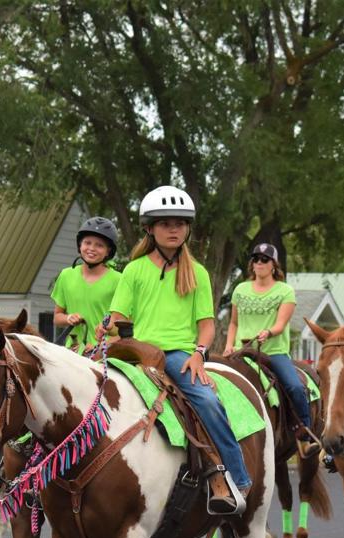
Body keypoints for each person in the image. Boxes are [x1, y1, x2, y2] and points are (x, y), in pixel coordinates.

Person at [107, 185, 250, 515]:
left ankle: (236, 479)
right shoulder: (134, 270)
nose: (174, 229)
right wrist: (109, 326)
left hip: (176, 356)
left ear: (187, 229)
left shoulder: (197, 272)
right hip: (135, 352)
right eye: (166, 223)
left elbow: (207, 325)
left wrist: (199, 353)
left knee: (209, 403)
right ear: (150, 228)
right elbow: (119, 317)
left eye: (180, 223)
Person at [223, 242, 319, 459]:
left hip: (272, 352)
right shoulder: (240, 289)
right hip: (241, 351)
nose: (259, 263)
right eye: (255, 259)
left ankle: (305, 434)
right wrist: (229, 346)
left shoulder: (285, 291)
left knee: (294, 386)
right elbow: (234, 323)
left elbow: (281, 324)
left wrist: (269, 332)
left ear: (274, 265)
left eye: (264, 259)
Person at [51, 217, 123, 353]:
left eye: (99, 245)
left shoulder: (119, 280)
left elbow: (125, 329)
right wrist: (68, 318)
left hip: (105, 354)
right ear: (80, 245)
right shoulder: (66, 275)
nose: (91, 248)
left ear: (108, 251)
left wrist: (102, 346)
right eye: (87, 243)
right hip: (72, 351)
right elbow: (57, 318)